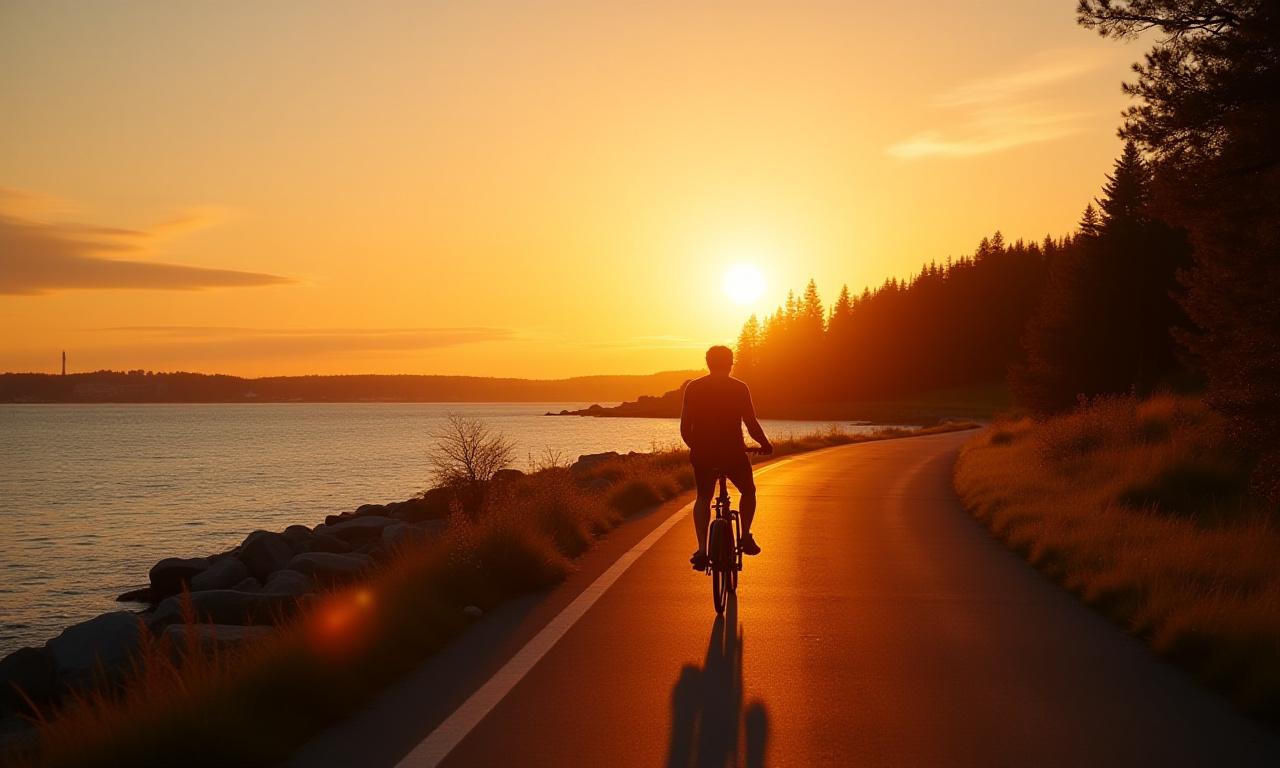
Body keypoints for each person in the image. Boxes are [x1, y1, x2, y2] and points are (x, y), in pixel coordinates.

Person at [680, 345, 772, 570]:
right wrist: (765, 445)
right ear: (730, 363)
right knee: (748, 491)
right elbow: (751, 424)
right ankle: (745, 536)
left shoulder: (694, 388)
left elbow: (685, 428)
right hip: (733, 452)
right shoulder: (739, 388)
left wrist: (698, 448)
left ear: (708, 363)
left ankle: (702, 550)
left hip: (703, 454)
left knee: (703, 497)